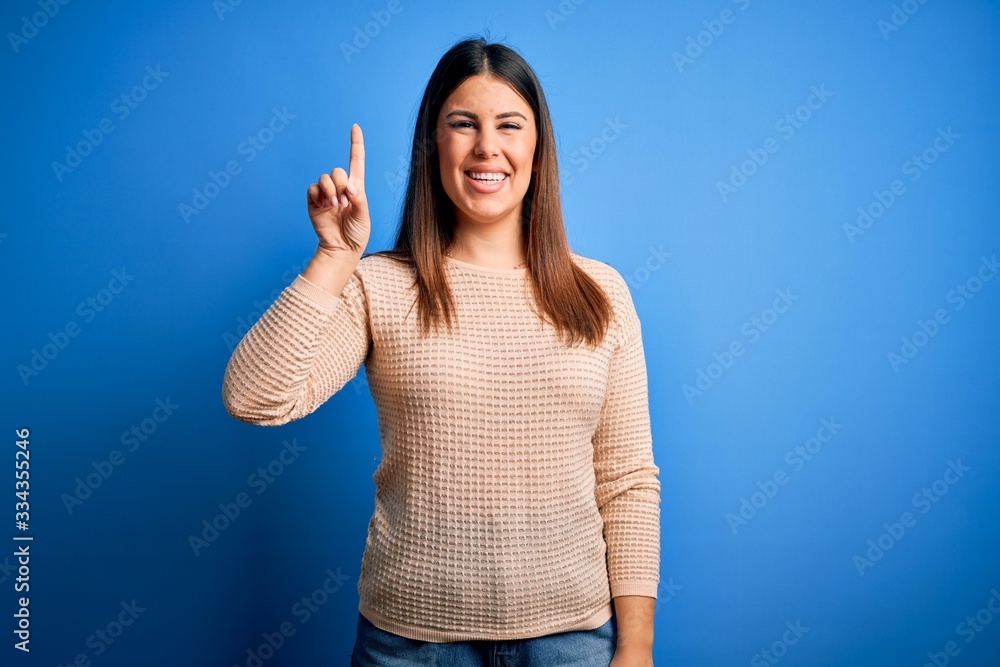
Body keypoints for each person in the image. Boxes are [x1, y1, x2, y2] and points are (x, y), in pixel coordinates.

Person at [222, 36, 661, 667]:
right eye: (463, 124)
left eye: (510, 125)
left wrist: (637, 648)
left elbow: (628, 482)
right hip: (411, 646)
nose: (488, 146)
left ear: (538, 148)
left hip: (574, 643)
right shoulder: (380, 284)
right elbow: (254, 398)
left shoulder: (601, 292)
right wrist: (334, 259)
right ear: (435, 146)